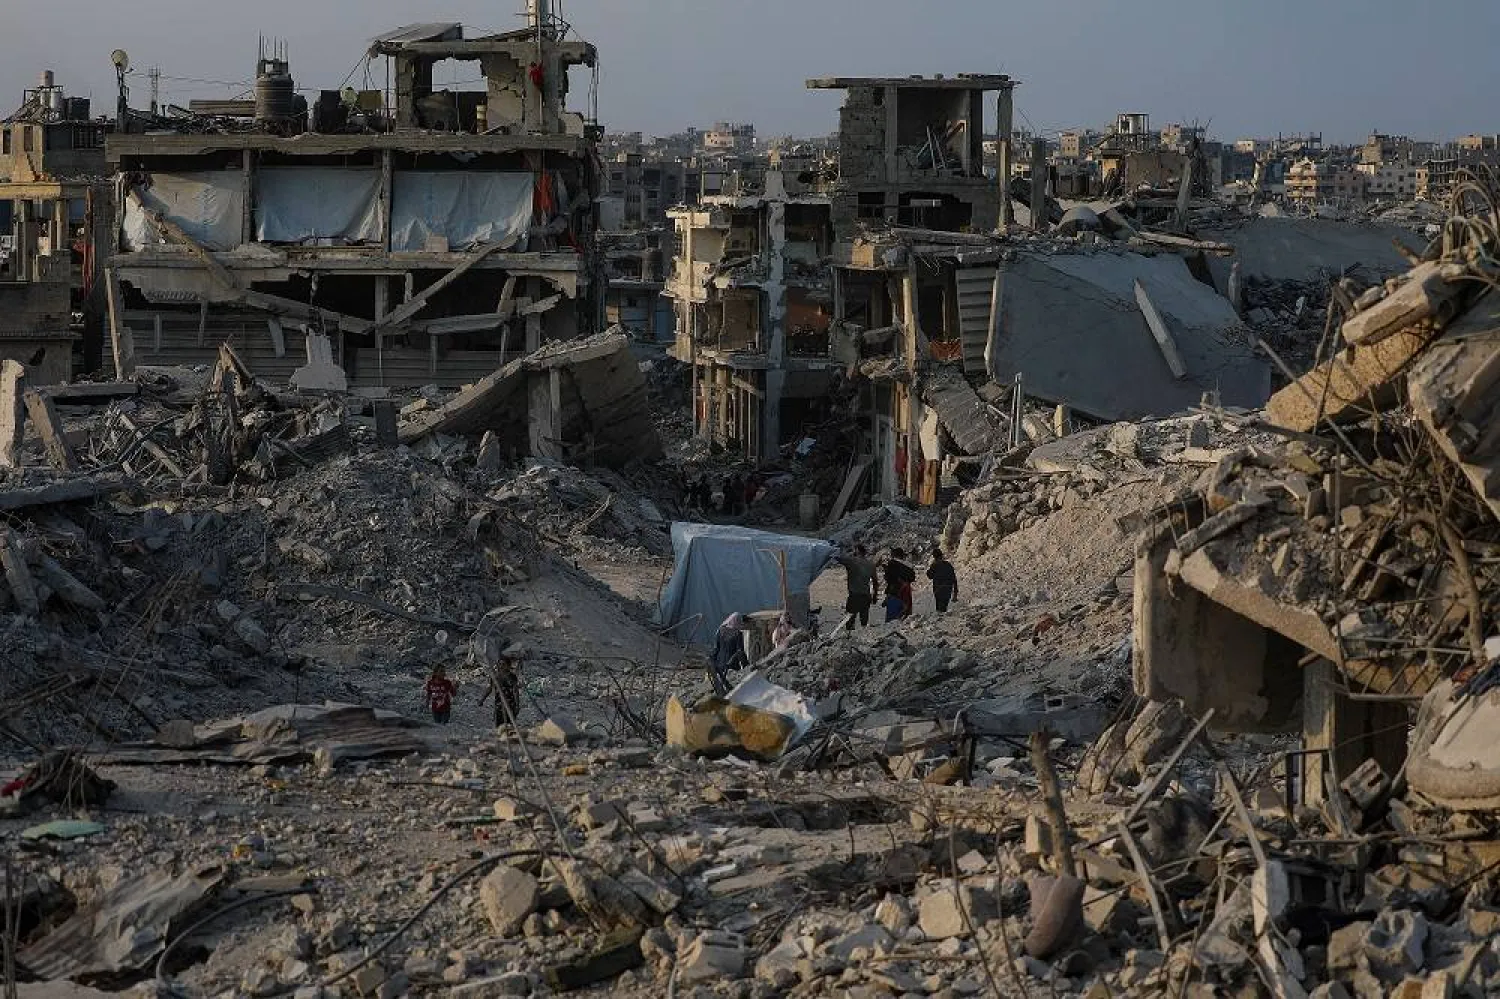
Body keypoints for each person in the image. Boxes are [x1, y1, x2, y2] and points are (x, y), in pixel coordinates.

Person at [833, 544, 878, 631]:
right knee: (864, 621)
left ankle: (849, 638)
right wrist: (875, 596)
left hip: (854, 595)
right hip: (866, 595)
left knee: (849, 620)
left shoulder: (852, 561)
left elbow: (838, 557)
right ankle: (863, 637)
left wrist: (834, 548)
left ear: (857, 550)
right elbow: (875, 582)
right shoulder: (871, 564)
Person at [477, 644, 524, 728]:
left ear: (508, 666)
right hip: (499, 706)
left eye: (503, 664)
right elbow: (489, 688)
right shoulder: (495, 677)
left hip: (510, 705)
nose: (501, 666)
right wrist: (482, 700)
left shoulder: (512, 677)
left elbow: (515, 691)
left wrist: (517, 705)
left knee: (510, 726)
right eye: (500, 664)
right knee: (499, 727)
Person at [711, 612, 751, 695]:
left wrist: (713, 662)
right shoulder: (737, 634)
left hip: (719, 665)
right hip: (732, 666)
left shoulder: (720, 630)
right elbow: (740, 652)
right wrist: (746, 667)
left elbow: (716, 649)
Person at [883, 548, 916, 622]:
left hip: (894, 593)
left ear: (894, 555)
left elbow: (889, 578)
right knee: (905, 621)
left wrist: (886, 571)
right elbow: (912, 578)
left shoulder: (892, 563)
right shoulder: (909, 566)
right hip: (906, 594)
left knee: (892, 621)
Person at [927, 545, 959, 613]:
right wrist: (955, 594)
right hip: (948, 589)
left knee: (939, 609)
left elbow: (929, 576)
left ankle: (940, 620)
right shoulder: (948, 564)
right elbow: (954, 579)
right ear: (941, 555)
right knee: (944, 607)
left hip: (938, 589)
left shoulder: (934, 565)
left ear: (934, 557)